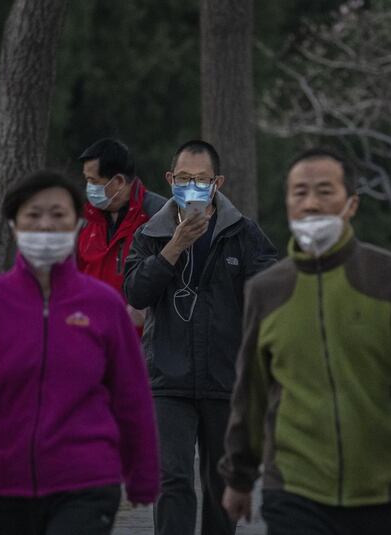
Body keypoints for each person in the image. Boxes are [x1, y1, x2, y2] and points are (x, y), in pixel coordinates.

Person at [219, 148, 391, 535]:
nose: (310, 203)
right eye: (299, 193)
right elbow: (251, 393)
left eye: (325, 191)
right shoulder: (266, 291)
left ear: (351, 203)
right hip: (294, 490)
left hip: (385, 490)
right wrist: (239, 477)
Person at [0, 171, 159, 535]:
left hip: (85, 482)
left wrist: (143, 471)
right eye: (33, 215)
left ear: (77, 223)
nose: (46, 225)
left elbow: (131, 394)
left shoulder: (103, 305)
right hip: (0, 484)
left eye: (58, 215)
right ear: (13, 224)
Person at [124, 139, 277, 535]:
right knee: (172, 481)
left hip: (225, 378)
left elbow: (268, 296)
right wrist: (173, 247)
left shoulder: (243, 233)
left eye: (201, 179)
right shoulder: (151, 233)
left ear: (217, 183)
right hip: (166, 379)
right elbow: (136, 292)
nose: (192, 186)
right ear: (170, 179)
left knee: (220, 484)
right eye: (184, 178)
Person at [77, 138, 166, 329]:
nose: (89, 188)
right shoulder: (84, 219)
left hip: (139, 344)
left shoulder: (158, 216)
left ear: (117, 181)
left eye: (93, 181)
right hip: (90, 335)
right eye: (87, 181)